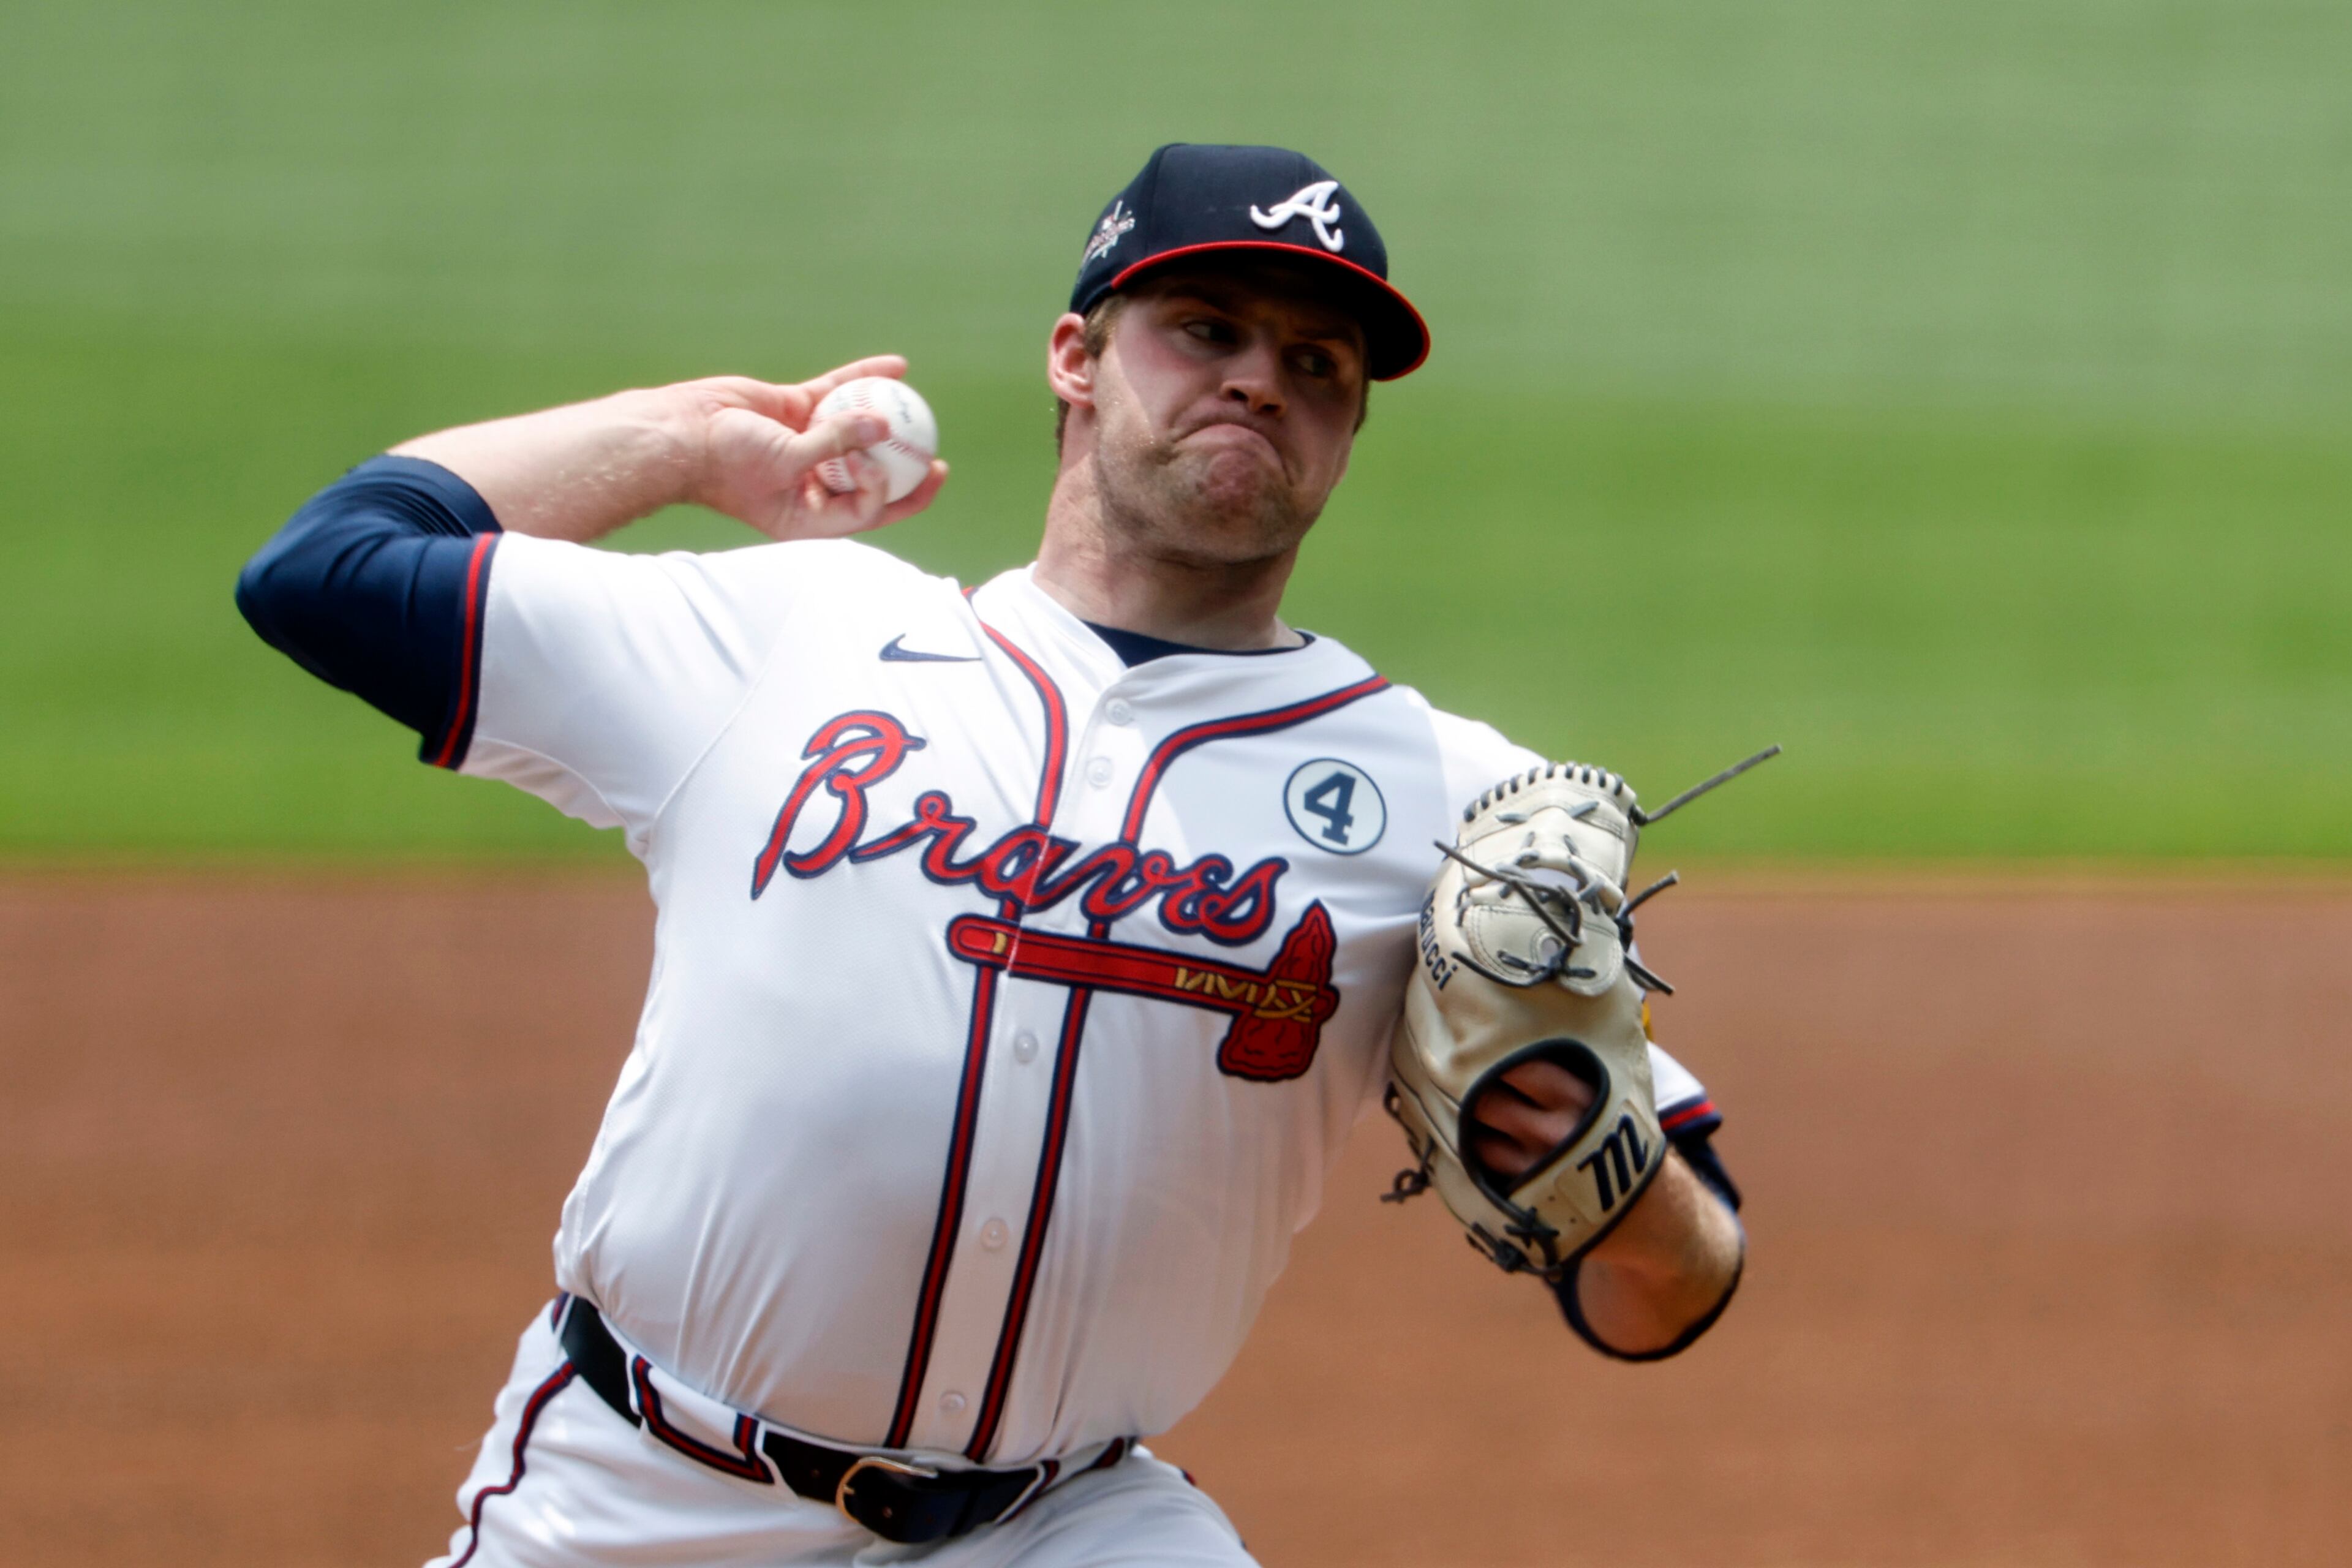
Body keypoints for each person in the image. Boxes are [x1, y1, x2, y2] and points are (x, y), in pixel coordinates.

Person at [237, 143, 1744, 1568]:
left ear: (1348, 433)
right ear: (1076, 360)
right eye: (1206, 325)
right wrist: (690, 442)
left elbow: (1666, 1292)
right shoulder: (793, 635)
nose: (1258, 382)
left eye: (1316, 365)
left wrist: (1611, 1180)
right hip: (645, 1496)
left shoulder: (1447, 799)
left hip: (1063, 1524)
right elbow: (329, 572)